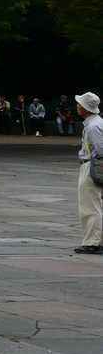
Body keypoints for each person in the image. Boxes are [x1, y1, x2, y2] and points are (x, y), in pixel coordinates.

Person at [74, 92, 102, 254]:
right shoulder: (95, 123)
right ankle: (96, 240)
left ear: (85, 108)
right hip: (93, 165)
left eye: (79, 104)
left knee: (89, 206)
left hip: (92, 166)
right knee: (96, 205)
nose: (77, 106)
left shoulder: (93, 126)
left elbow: (101, 149)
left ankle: (92, 242)